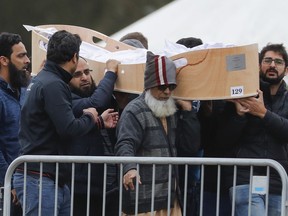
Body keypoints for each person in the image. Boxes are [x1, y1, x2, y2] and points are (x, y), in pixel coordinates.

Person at [13, 30, 118, 216]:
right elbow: (68, 128)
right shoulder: (53, 84)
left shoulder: (44, 79)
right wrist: (91, 117)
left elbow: (55, 127)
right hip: (40, 179)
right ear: (74, 57)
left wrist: (98, 122)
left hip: (50, 177)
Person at [115, 51, 200, 215]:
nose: (167, 92)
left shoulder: (172, 109)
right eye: (162, 87)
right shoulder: (134, 111)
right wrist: (129, 168)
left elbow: (190, 147)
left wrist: (188, 112)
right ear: (149, 85)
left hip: (170, 198)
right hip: (143, 201)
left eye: (172, 86)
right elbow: (125, 143)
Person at [226, 43, 288, 216]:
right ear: (259, 65)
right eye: (267, 60)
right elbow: (223, 139)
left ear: (286, 69)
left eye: (278, 61)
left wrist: (263, 113)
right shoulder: (244, 95)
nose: (272, 65)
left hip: (278, 181)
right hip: (244, 179)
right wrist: (238, 117)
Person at [66, 56, 120, 216]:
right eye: (77, 74)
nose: (84, 77)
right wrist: (110, 72)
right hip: (81, 187)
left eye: (87, 72)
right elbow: (96, 102)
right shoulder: (67, 100)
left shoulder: (103, 97)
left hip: (106, 185)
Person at [0, 32, 30, 216]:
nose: (27, 60)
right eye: (21, 56)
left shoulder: (25, 89)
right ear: (4, 60)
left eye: (26, 54)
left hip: (28, 184)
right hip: (8, 190)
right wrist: (7, 181)